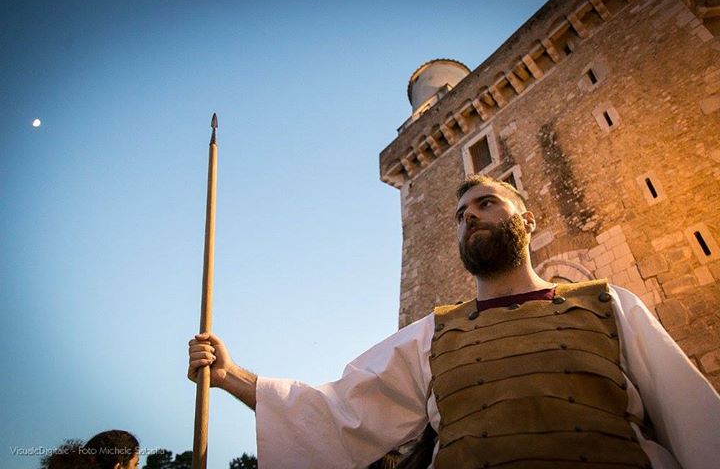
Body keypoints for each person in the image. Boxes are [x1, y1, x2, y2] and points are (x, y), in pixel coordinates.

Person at [188, 175, 720, 468]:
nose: (470, 217)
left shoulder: (610, 305)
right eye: (462, 214)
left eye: (486, 203)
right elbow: (340, 412)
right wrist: (232, 376)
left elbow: (697, 424)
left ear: (526, 220)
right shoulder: (432, 335)